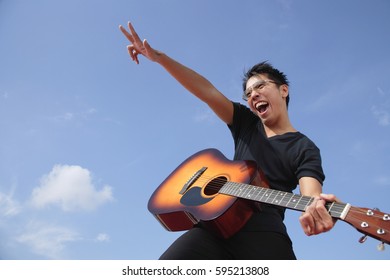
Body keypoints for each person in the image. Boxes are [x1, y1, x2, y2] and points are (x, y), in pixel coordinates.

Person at [119, 22, 338, 260]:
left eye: (261, 86)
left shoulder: (304, 147)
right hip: (215, 224)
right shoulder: (245, 123)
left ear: (283, 90)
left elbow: (311, 194)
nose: (253, 95)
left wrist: (315, 207)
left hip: (265, 229)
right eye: (248, 93)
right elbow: (207, 91)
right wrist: (160, 58)